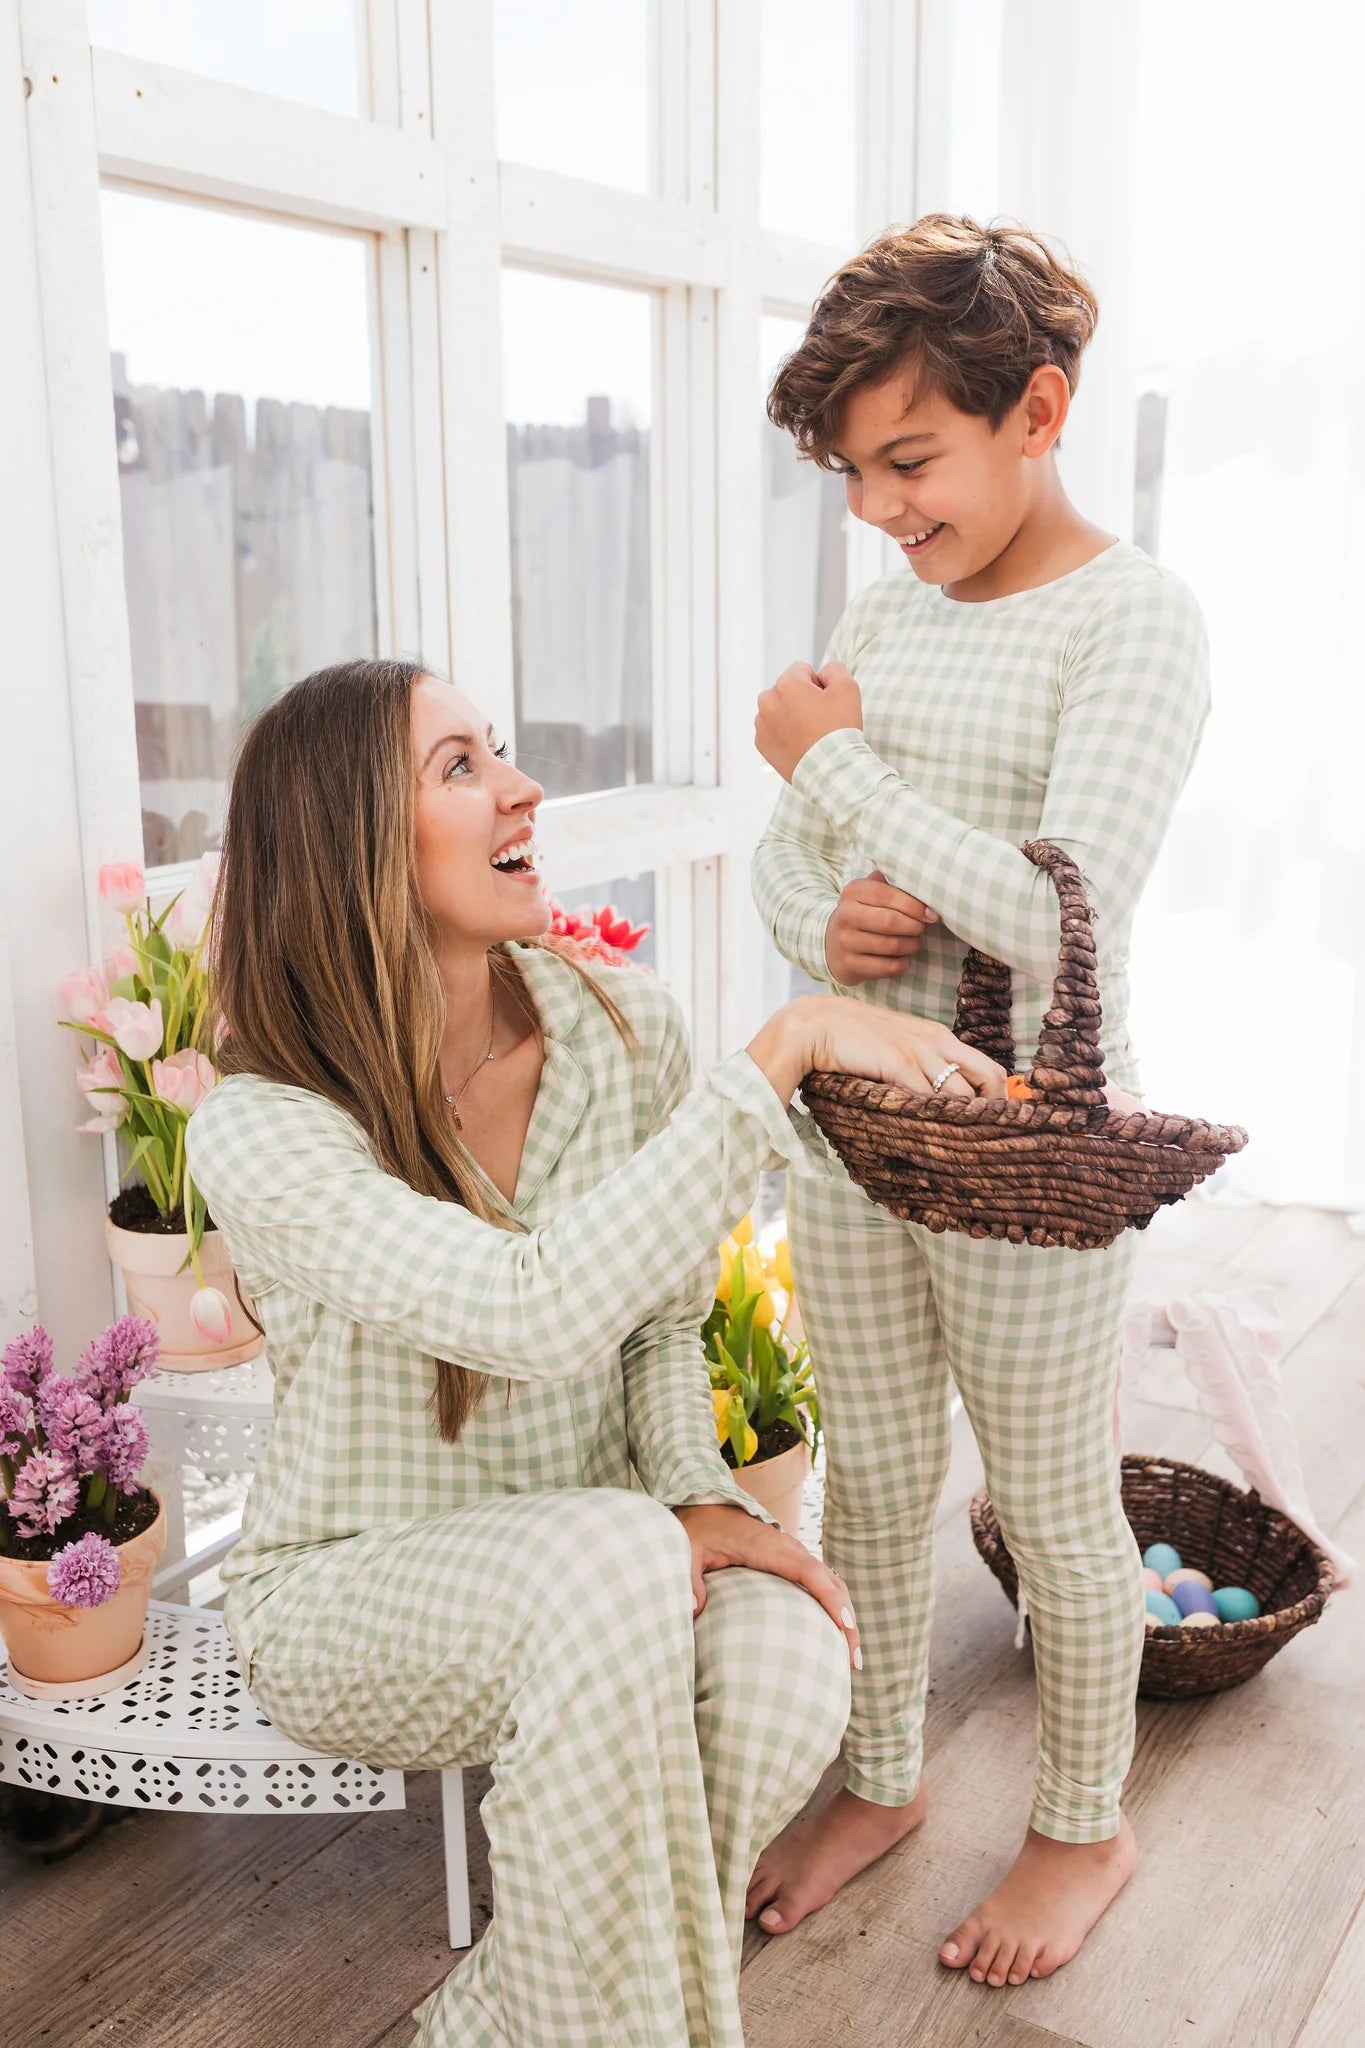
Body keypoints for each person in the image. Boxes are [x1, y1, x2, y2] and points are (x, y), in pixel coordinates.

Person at [185, 657, 1004, 2048]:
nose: (523, 788)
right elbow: (534, 1309)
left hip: (609, 1567)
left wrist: (692, 1487)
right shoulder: (263, 1127)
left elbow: (658, 1320)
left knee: (787, 1662)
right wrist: (790, 1043)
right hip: (350, 1593)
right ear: (350, 842)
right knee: (614, 1557)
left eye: (498, 750)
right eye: (459, 766)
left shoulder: (622, 1032)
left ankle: (491, 2017)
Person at [748, 215, 1210, 1990]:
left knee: (1047, 1502)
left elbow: (1055, 916)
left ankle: (1082, 1828)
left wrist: (839, 769)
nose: (879, 509)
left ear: (1038, 409)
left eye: (910, 460)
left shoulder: (1133, 623)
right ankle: (880, 1778)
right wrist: (825, 916)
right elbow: (793, 862)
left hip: (1026, 1161)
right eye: (853, 476)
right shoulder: (887, 608)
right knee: (866, 1479)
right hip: (856, 1139)